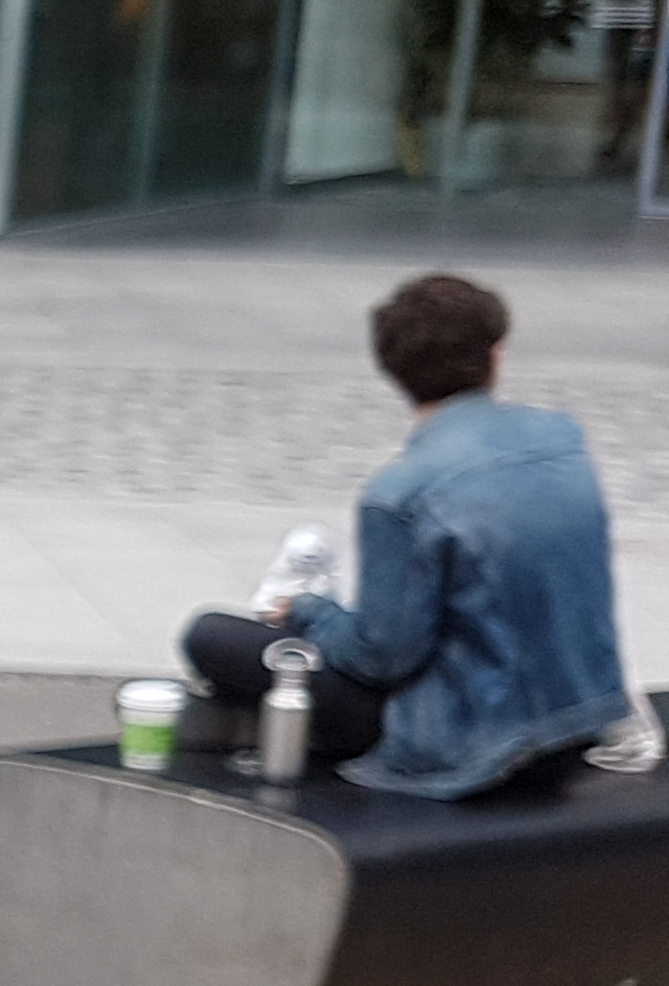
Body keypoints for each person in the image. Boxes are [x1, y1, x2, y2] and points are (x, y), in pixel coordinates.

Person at [182, 273, 629, 797]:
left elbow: (382, 657)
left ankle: (298, 605)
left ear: (392, 371)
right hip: (579, 718)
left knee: (212, 635)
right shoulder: (563, 439)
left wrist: (309, 612)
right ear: (496, 355)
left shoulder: (400, 493)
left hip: (471, 741)